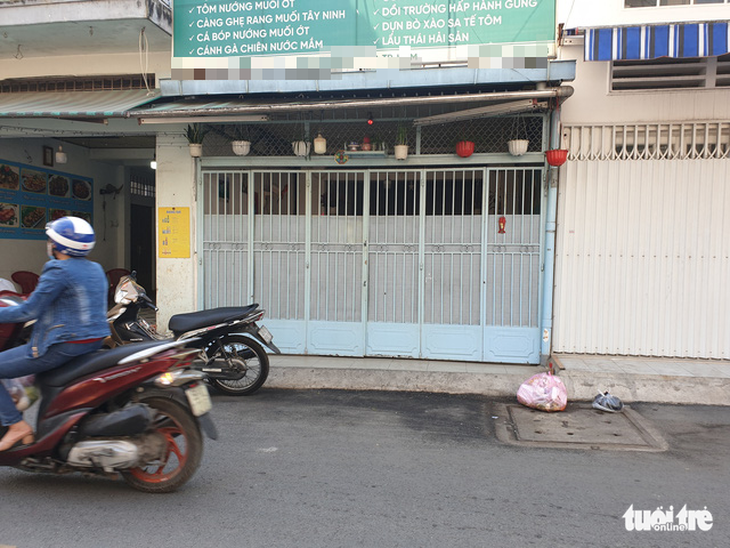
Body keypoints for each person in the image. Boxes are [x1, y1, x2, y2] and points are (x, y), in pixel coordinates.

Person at [0, 216, 110, 451]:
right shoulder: (95, 268)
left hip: (63, 343)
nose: (48, 244)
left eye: (50, 240)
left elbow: (28, 312)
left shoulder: (58, 269)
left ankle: (16, 425)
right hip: (93, 341)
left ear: (59, 245)